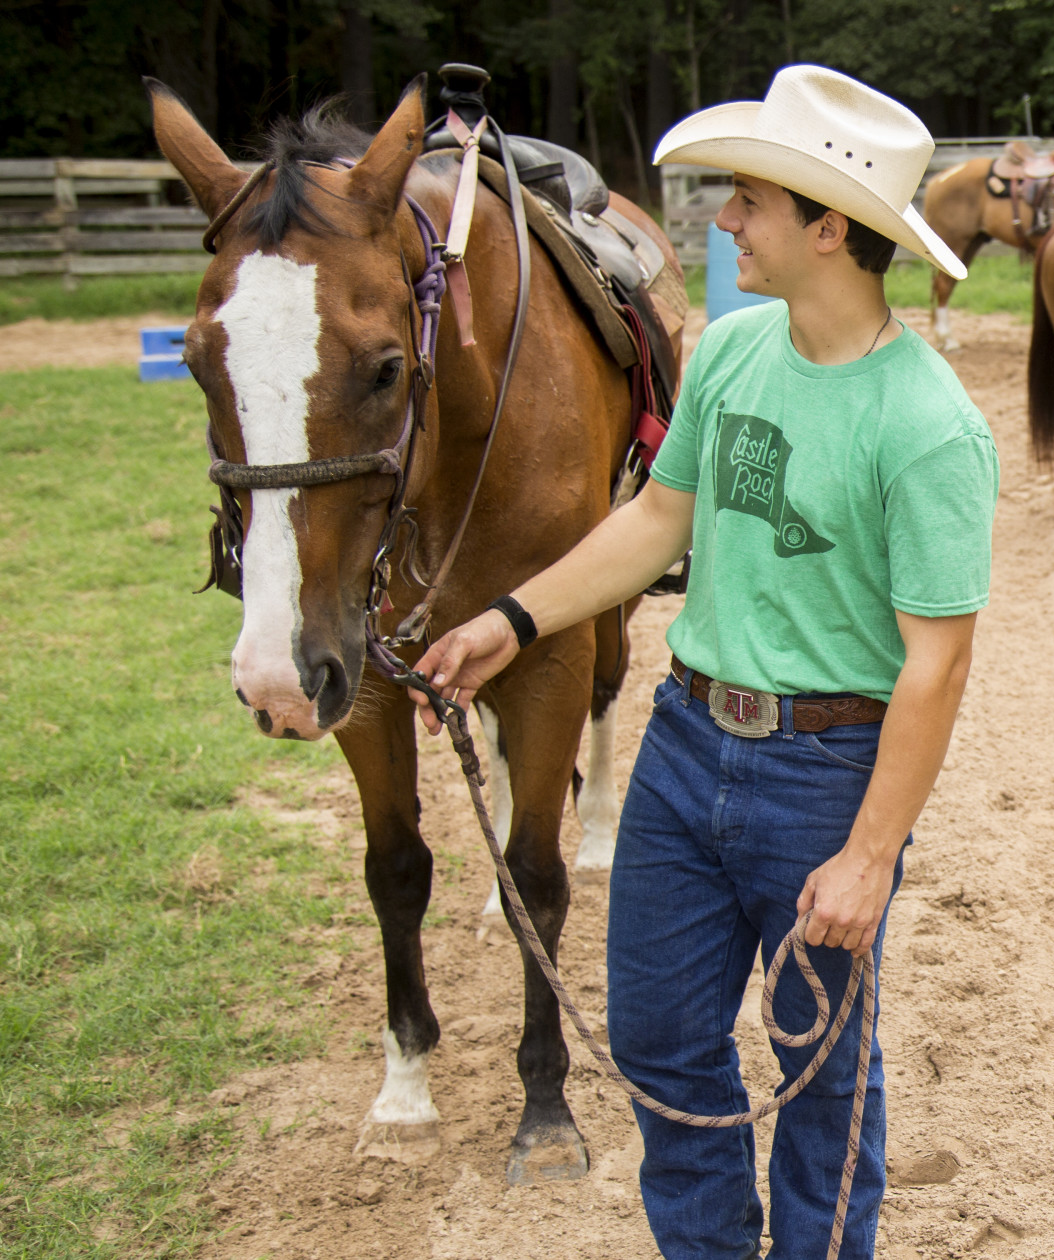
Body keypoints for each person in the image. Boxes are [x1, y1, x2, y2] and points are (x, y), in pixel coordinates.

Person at [410, 65, 995, 1259]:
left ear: (830, 228)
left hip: (825, 777)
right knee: (663, 1049)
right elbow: (656, 524)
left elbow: (935, 670)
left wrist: (870, 856)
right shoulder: (729, 352)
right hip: (684, 751)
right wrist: (508, 622)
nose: (724, 222)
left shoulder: (929, 427)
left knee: (822, 1082)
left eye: (749, 200)